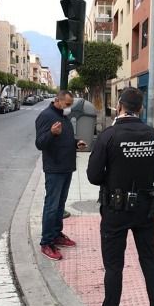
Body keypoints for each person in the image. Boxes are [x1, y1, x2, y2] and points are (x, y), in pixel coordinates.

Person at [87, 87, 154, 306]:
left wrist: (113, 179)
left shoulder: (108, 136)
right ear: (141, 108)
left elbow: (93, 175)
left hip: (115, 208)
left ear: (119, 106)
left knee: (114, 266)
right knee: (150, 260)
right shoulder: (153, 134)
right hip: (145, 207)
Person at [35, 90, 86, 260]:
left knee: (59, 205)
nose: (69, 108)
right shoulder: (46, 116)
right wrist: (51, 133)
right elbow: (40, 143)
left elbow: (65, 138)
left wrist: (76, 142)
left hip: (66, 167)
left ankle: (56, 234)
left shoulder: (63, 116)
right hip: (55, 169)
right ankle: (46, 242)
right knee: (51, 205)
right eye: (68, 104)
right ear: (57, 100)